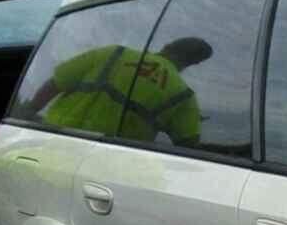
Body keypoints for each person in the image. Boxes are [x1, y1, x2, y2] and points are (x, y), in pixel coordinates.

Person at [25, 36, 211, 147]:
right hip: (112, 165)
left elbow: (54, 84)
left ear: (166, 46)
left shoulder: (113, 53)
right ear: (192, 63)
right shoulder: (183, 95)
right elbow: (188, 144)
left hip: (54, 142)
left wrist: (29, 112)